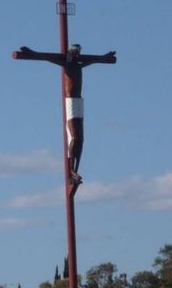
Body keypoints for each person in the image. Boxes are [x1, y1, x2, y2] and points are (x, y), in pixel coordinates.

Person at [18, 44, 115, 185]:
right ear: (71, 52)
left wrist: (105, 57)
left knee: (81, 139)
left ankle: (75, 169)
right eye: (76, 52)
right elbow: (45, 57)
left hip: (79, 101)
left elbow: (94, 60)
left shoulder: (79, 65)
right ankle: (70, 170)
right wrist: (32, 53)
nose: (78, 55)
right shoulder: (66, 64)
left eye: (79, 52)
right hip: (70, 103)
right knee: (74, 137)